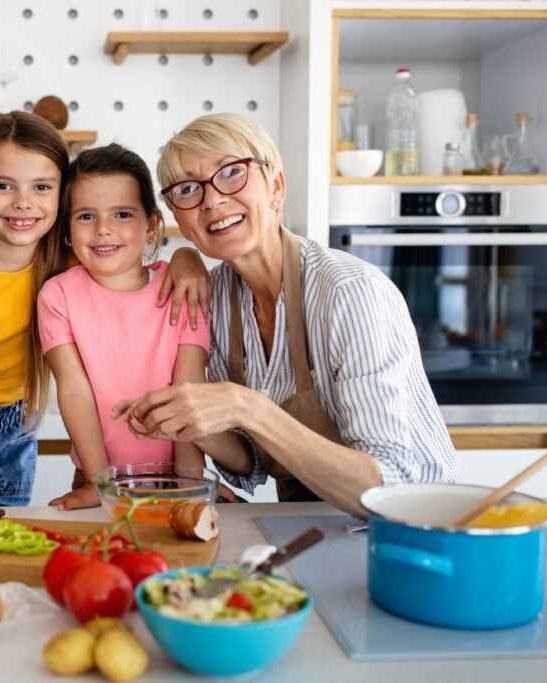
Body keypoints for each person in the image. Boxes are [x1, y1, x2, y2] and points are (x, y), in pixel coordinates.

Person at [123, 114, 458, 517]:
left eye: (231, 173)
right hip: (314, 524)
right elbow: (255, 460)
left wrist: (246, 407)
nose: (212, 200)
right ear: (183, 222)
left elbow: (388, 488)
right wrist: (189, 423)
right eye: (188, 190)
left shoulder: (350, 294)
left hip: (418, 528)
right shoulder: (217, 299)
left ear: (276, 187)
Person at [0, 112, 209, 506]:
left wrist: (188, 256)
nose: (23, 203)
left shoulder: (67, 271)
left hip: (13, 431)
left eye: (41, 187)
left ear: (60, 197)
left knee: (0, 548)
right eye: (3, 185)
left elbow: (133, 262)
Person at [37, 144, 210, 511]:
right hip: (96, 479)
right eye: (86, 216)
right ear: (67, 228)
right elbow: (74, 391)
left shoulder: (183, 288)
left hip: (175, 480)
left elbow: (189, 390)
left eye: (122, 214)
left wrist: (191, 487)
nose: (103, 230)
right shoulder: (58, 295)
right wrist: (101, 484)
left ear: (151, 225)